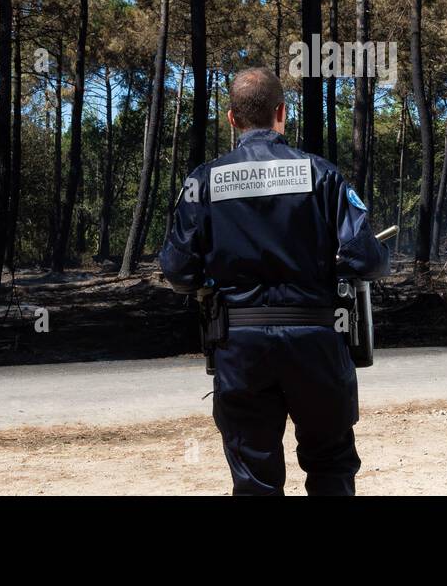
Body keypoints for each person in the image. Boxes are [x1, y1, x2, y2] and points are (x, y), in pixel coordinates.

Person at [160, 66, 391, 495]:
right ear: (282, 112)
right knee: (331, 467)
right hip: (317, 343)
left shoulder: (202, 183)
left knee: (255, 480)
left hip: (241, 350)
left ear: (232, 119)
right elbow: (367, 259)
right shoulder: (322, 175)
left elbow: (177, 270)